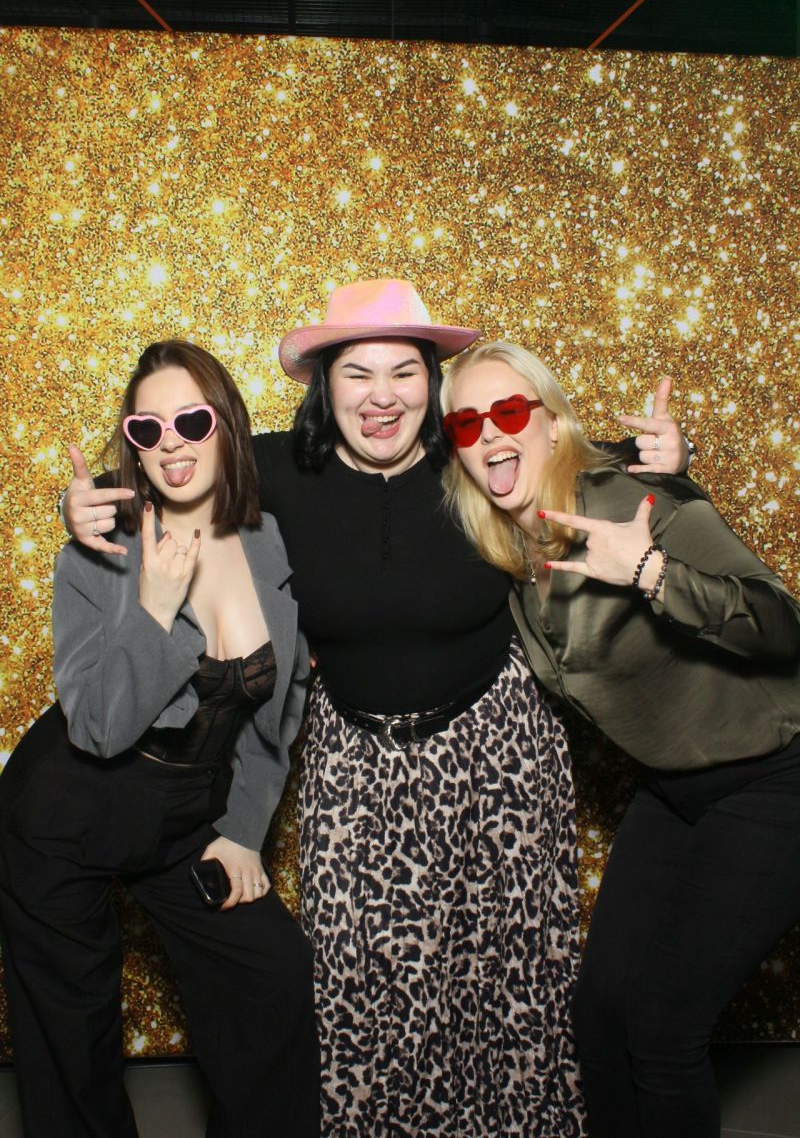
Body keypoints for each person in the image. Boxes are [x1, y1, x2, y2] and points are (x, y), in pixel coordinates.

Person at [59, 280, 689, 1137]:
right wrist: (82, 500)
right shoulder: (279, 469)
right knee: (364, 996)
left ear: (432, 383)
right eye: (357, 373)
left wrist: (665, 456)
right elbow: (170, 463)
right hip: (357, 768)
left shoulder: (477, 459)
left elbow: (577, 452)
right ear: (326, 386)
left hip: (498, 758)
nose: (381, 395)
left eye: (404, 371)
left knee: (510, 990)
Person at [440, 338, 800, 1138]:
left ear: (551, 422)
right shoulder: (508, 544)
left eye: (508, 410)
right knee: (600, 1015)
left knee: (664, 1032)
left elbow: (783, 625)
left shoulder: (634, 499)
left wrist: (652, 573)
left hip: (775, 778)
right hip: (675, 790)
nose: (489, 432)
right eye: (465, 423)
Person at [0, 341, 319, 1138]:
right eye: (148, 429)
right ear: (133, 447)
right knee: (75, 1042)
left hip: (183, 816)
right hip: (66, 814)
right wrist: (154, 607)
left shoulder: (271, 540)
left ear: (227, 425)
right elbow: (98, 727)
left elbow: (284, 699)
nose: (172, 442)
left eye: (192, 421)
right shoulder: (100, 553)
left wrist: (243, 831)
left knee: (272, 975)